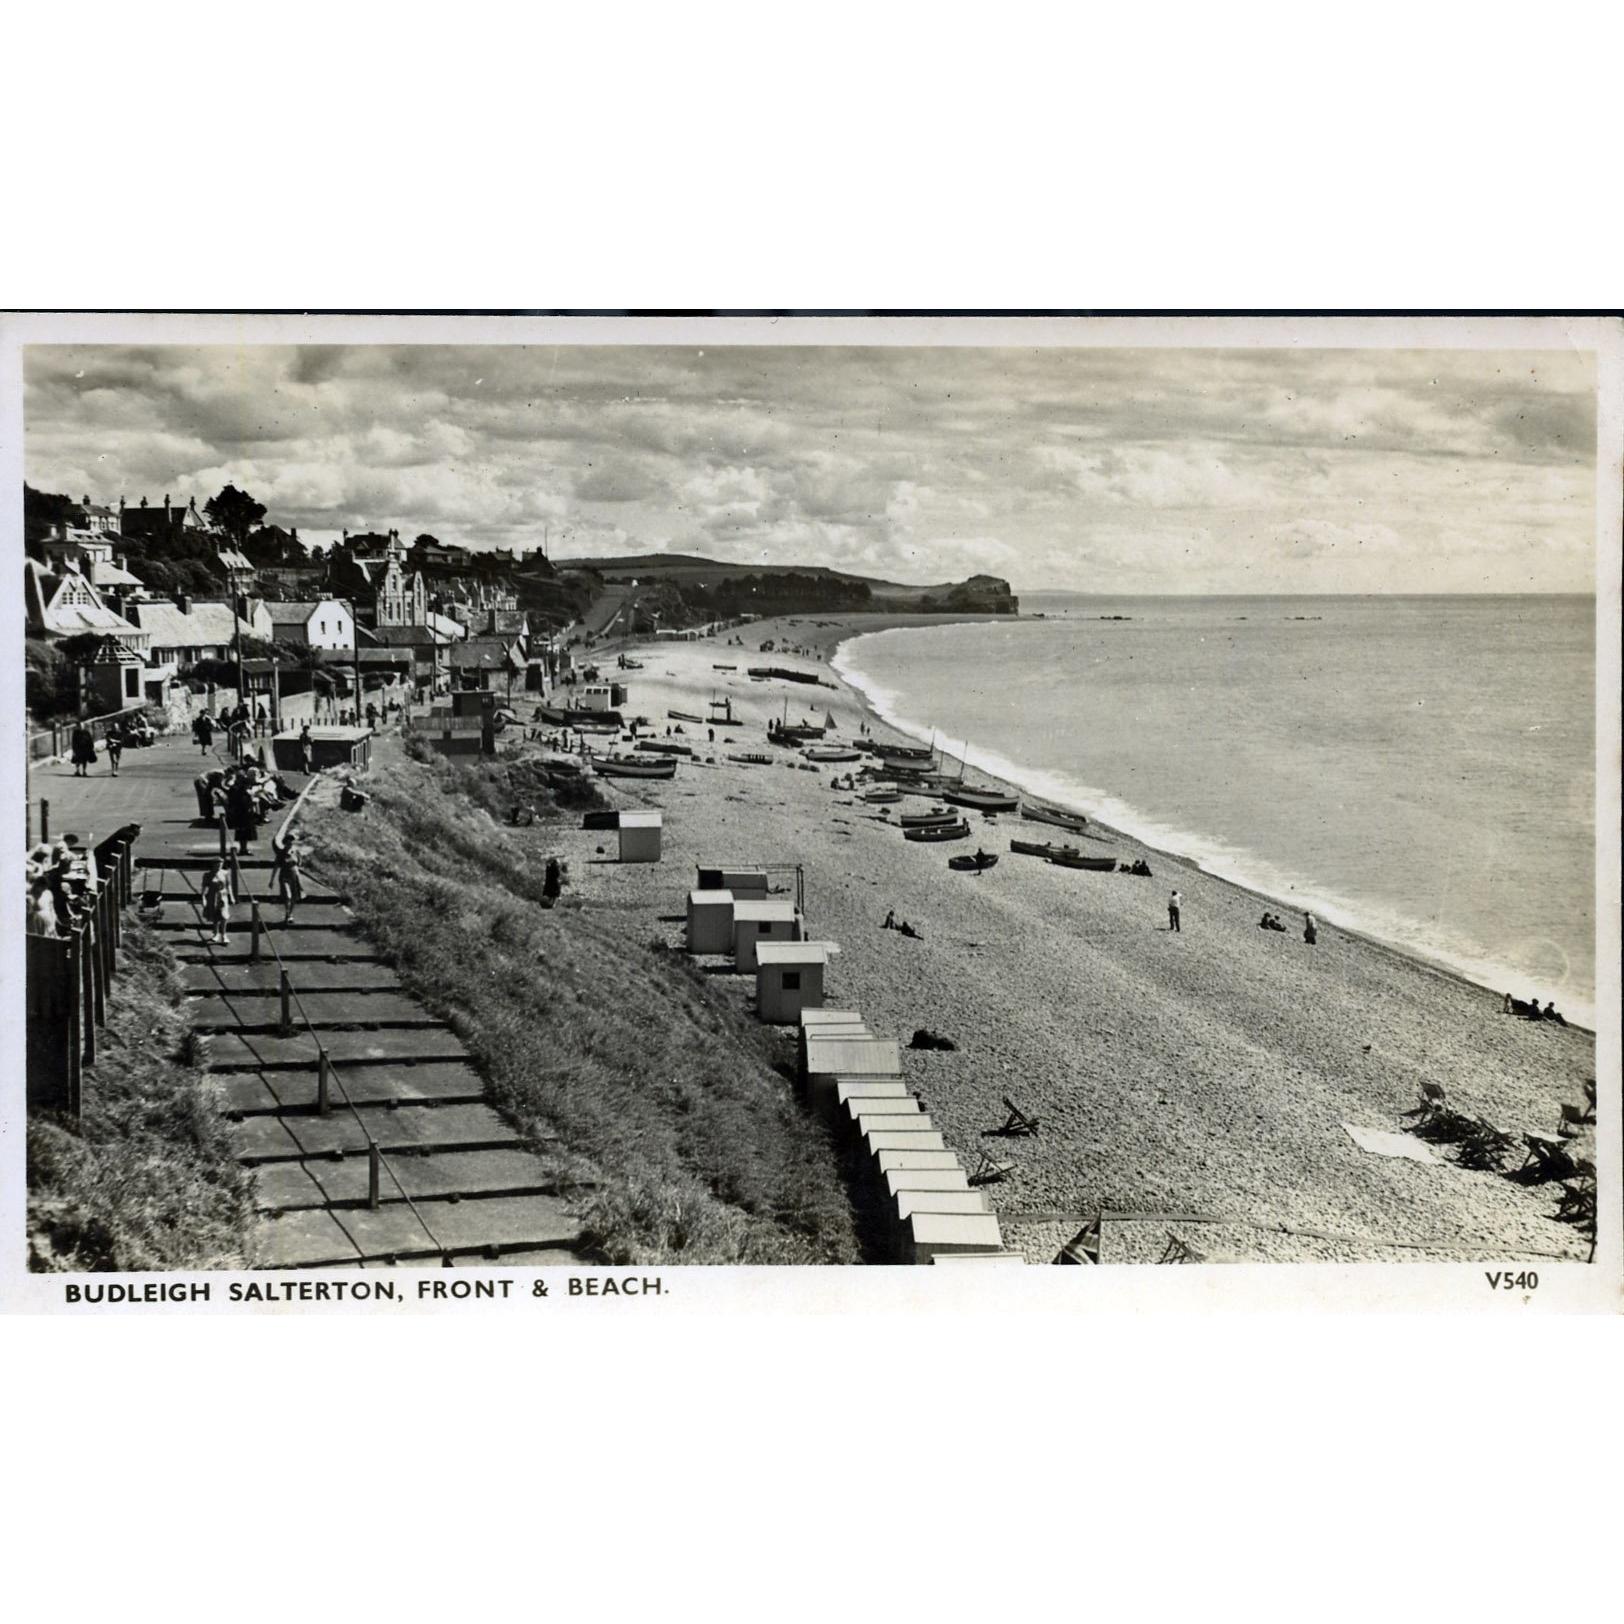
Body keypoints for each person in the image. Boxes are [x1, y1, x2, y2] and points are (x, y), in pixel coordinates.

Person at [271, 830, 304, 922]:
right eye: (288, 842)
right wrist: (271, 880)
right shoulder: (281, 854)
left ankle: (289, 914)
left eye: (291, 842)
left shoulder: (296, 852)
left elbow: (299, 864)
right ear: (285, 843)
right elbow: (276, 867)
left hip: (294, 875)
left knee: (294, 896)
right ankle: (287, 912)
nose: (290, 844)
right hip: (284, 876)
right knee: (288, 896)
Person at [202, 859, 233, 945]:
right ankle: (216, 934)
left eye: (221, 864)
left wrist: (231, 896)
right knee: (215, 916)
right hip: (212, 896)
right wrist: (203, 898)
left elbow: (228, 885)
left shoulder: (225, 873)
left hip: (223, 896)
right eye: (217, 864)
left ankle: (224, 935)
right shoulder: (208, 875)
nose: (219, 866)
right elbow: (204, 887)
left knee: (224, 916)